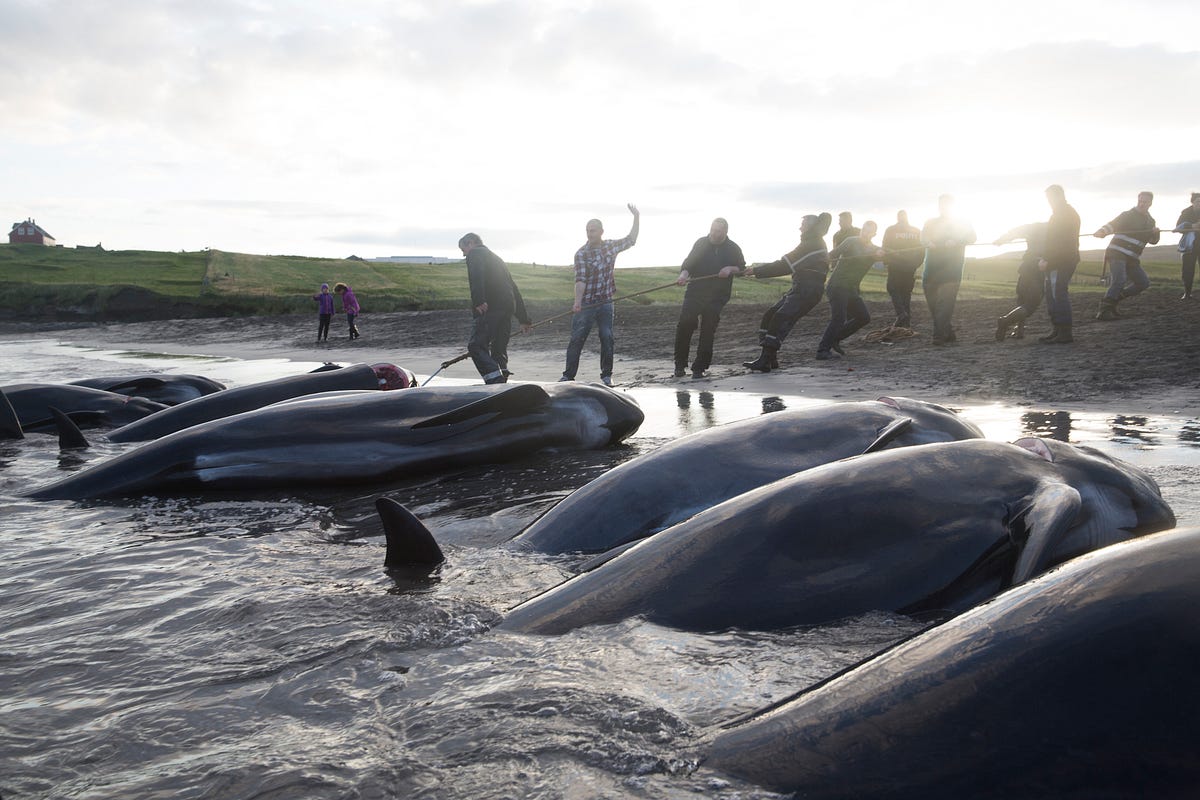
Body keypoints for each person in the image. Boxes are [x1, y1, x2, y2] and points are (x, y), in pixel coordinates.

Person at [740, 212, 833, 372]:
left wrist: (755, 271)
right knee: (771, 315)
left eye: (802, 225)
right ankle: (770, 359)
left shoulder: (812, 243)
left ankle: (765, 359)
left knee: (780, 318)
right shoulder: (812, 242)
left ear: (810, 226)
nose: (799, 227)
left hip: (807, 290)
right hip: (801, 288)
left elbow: (784, 265)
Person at [560, 204, 640, 386]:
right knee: (576, 339)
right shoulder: (581, 253)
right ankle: (568, 376)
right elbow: (580, 279)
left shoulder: (611, 246)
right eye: (588, 231)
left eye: (593, 230)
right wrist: (577, 302)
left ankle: (606, 376)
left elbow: (631, 239)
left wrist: (636, 217)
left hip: (606, 302)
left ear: (601, 231)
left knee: (607, 336)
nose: (590, 234)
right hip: (586, 304)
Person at [673, 218, 746, 378]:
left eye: (718, 231)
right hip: (695, 292)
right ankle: (679, 365)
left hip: (718, 296)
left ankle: (699, 367)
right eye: (712, 229)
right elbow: (688, 264)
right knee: (685, 323)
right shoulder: (701, 243)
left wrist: (729, 268)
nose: (713, 233)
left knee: (708, 328)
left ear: (725, 232)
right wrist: (683, 275)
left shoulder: (733, 248)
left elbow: (741, 268)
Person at [458, 232, 532, 384]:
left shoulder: (476, 253)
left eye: (463, 250)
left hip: (491, 306)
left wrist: (479, 300)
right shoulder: (497, 258)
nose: (464, 255)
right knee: (498, 347)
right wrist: (524, 319)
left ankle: (495, 380)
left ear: (471, 243)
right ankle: (502, 375)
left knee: (476, 346)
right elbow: (513, 288)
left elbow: (476, 276)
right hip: (508, 307)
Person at [816, 220, 883, 360]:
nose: (864, 233)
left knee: (863, 317)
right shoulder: (851, 241)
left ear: (874, 234)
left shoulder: (874, 249)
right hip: (837, 285)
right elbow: (832, 254)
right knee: (838, 318)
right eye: (864, 229)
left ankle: (835, 338)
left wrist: (883, 254)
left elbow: (888, 255)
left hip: (851, 289)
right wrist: (821, 262)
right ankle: (822, 350)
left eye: (869, 231)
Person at [920, 194, 976, 344]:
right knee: (934, 306)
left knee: (944, 305)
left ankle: (938, 336)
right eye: (941, 205)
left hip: (951, 271)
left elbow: (972, 237)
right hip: (930, 271)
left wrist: (957, 241)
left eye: (946, 204)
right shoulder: (930, 222)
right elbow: (922, 237)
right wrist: (928, 242)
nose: (943, 207)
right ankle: (948, 332)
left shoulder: (963, 222)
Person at [1094, 191, 1159, 320]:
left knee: (1143, 283)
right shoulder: (1127, 215)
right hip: (1117, 251)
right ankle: (1104, 311)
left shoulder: (1151, 221)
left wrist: (1156, 233)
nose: (1141, 204)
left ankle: (1114, 299)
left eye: (1144, 201)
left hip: (1132, 257)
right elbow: (1112, 224)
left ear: (1150, 203)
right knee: (1119, 279)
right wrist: (1102, 231)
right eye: (1140, 201)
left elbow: (1153, 241)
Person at [1037, 184, 1082, 344]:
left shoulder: (1064, 214)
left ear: (1059, 196)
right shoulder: (1061, 213)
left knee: (1058, 294)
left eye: (1050, 198)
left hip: (1062, 261)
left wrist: (1047, 259)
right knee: (1052, 294)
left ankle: (1064, 332)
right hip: (1059, 260)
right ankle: (1057, 329)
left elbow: (1060, 242)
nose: (1049, 201)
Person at [992, 222, 1048, 341]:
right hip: (1039, 267)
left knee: (1022, 298)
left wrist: (1001, 240)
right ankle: (1005, 321)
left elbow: (1014, 232)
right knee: (1031, 304)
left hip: (1026, 266)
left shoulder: (1034, 226)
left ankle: (1019, 330)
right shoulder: (1055, 228)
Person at [881, 210, 924, 328]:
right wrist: (916, 264)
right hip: (910, 268)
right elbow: (922, 251)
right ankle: (906, 323)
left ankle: (901, 314)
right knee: (906, 294)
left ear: (898, 217)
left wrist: (886, 262)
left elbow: (885, 246)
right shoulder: (916, 231)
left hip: (895, 266)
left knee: (892, 288)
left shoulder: (891, 230)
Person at [1174, 192, 1200, 300]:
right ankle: (1187, 292)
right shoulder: (1186, 212)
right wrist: (1192, 226)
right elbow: (1177, 228)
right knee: (1187, 270)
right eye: (1198, 201)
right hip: (1190, 246)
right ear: (1193, 202)